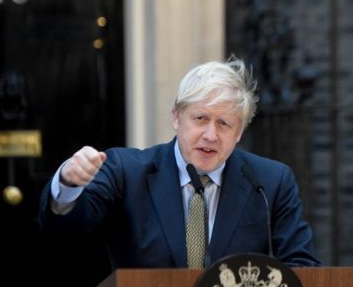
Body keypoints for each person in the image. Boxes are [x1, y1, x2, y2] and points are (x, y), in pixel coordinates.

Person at [39, 57, 320, 269]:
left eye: (223, 124)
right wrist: (69, 183)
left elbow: (301, 266)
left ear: (238, 134)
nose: (210, 135)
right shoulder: (126, 171)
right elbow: (66, 228)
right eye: (200, 119)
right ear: (176, 118)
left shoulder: (270, 182)